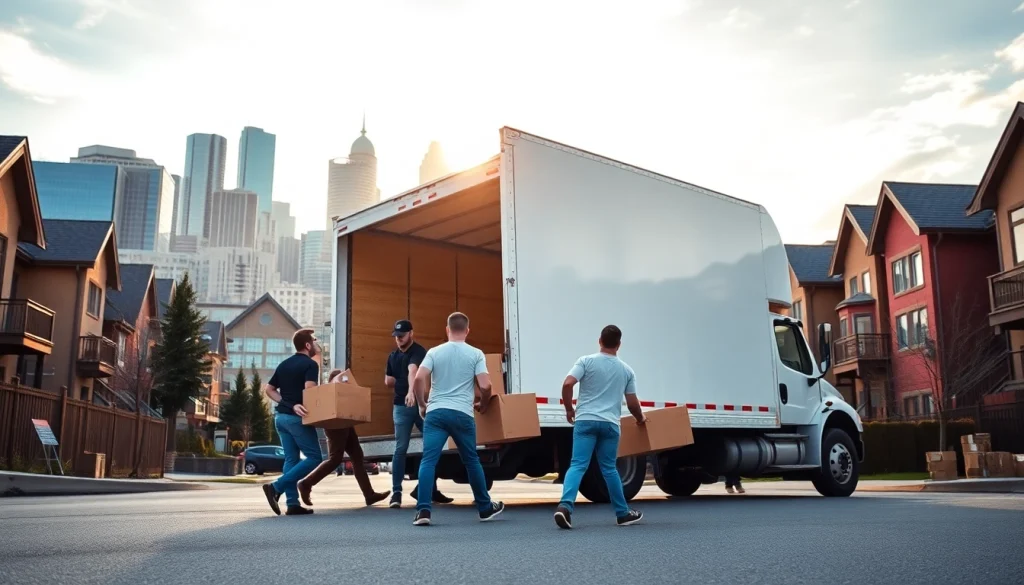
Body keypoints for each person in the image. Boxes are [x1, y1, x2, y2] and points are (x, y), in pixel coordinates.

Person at [409, 312, 504, 526]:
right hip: (462, 413)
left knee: (428, 461)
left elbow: (418, 379)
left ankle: (423, 511)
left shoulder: (434, 352)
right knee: (471, 461)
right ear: (467, 330)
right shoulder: (475, 354)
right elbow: (486, 386)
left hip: (436, 413)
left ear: (447, 329)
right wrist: (484, 403)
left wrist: (423, 405)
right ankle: (485, 508)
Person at [554, 325, 645, 530]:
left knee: (578, 465)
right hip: (610, 425)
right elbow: (632, 404)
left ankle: (565, 507)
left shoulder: (586, 361)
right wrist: (640, 419)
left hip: (585, 420)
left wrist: (569, 409)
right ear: (619, 345)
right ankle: (622, 513)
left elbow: (568, 384)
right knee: (609, 469)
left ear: (599, 340)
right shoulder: (627, 370)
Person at [296, 369, 391, 508]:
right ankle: (306, 483)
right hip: (335, 425)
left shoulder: (341, 395)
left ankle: (369, 495)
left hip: (346, 423)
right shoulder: (330, 395)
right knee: (335, 459)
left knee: (357, 456)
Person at [386, 319, 451, 508]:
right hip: (401, 406)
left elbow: (412, 371)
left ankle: (427, 489)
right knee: (401, 449)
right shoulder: (392, 356)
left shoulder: (419, 352)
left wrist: (409, 392)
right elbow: (388, 380)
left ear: (411, 334)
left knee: (433, 446)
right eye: (396, 336)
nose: (399, 339)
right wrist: (401, 387)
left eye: (402, 336)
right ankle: (396, 493)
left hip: (420, 404)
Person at [260, 328, 325, 516]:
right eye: (314, 341)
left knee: (291, 459)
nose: (316, 344)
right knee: (315, 457)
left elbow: (269, 389)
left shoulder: (284, 364)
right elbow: (310, 392)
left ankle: (292, 503)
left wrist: (288, 403)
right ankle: (276, 487)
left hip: (280, 418)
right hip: (296, 420)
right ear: (307, 345)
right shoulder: (310, 365)